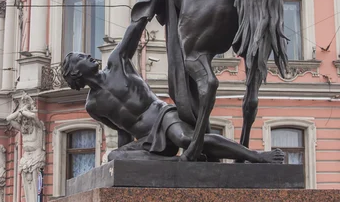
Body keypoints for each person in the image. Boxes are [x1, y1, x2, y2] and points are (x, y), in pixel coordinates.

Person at [63, 20, 283, 164]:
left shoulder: (116, 64)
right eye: (82, 58)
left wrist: (148, 2)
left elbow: (133, 31)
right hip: (147, 142)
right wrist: (124, 165)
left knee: (185, 139)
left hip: (163, 116)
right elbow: (123, 131)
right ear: (74, 72)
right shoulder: (92, 105)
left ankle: (256, 156)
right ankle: (178, 162)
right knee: (114, 157)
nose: (89, 56)